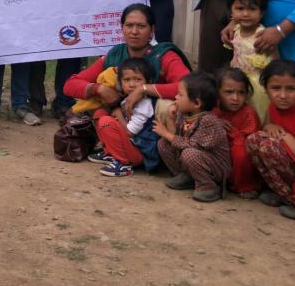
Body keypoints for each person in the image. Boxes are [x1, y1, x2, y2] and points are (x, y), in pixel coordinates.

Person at [64, 4, 192, 123]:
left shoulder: (163, 55)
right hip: (121, 118)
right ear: (122, 28)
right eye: (129, 25)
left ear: (152, 30)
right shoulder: (115, 55)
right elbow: (70, 84)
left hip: (155, 123)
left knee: (166, 107)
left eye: (141, 26)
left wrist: (143, 89)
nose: (134, 32)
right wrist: (99, 89)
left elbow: (189, 87)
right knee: (99, 113)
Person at [246, 60, 295, 221]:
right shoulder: (273, 107)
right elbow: (265, 128)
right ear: (266, 89)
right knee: (253, 140)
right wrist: (270, 127)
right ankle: (287, 196)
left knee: (269, 147)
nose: (283, 95)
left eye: (291, 89)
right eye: (276, 88)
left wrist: (286, 137)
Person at [153, 72, 232, 203]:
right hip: (193, 158)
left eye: (180, 95)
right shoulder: (185, 114)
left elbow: (190, 145)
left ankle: (208, 186)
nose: (176, 97)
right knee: (163, 144)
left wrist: (166, 133)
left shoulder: (209, 121)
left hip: (215, 168)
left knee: (189, 153)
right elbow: (177, 139)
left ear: (196, 103)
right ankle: (187, 177)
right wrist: (171, 119)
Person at [88, 58, 160, 178]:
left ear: (148, 82)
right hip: (130, 145)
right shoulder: (127, 99)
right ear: (120, 83)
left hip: (140, 152)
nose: (132, 84)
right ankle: (110, 153)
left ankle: (124, 163)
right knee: (100, 113)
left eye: (138, 79)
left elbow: (130, 132)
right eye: (127, 80)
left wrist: (118, 113)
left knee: (106, 122)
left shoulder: (144, 104)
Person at [223, 0, 276, 121]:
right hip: (237, 83)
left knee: (256, 115)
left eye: (252, 9)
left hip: (257, 88)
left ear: (262, 12)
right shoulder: (235, 31)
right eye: (240, 9)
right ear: (231, 12)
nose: (246, 14)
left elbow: (275, 62)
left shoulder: (263, 35)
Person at [213, 68, 263, 199]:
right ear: (217, 92)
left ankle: (245, 186)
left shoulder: (248, 113)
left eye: (241, 93)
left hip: (240, 160)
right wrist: (214, 123)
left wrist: (232, 133)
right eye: (229, 92)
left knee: (240, 153)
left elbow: (248, 141)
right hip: (219, 155)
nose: (235, 98)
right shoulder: (213, 109)